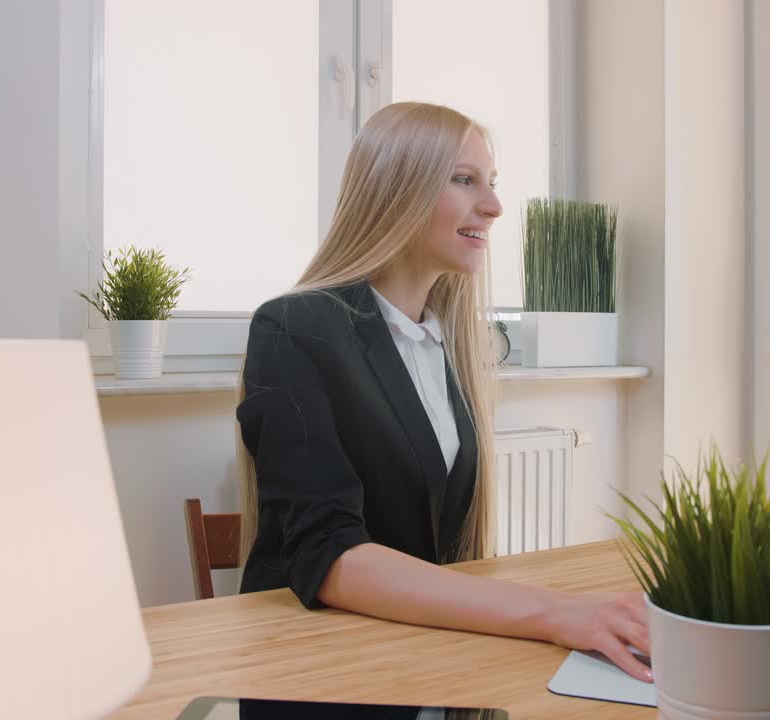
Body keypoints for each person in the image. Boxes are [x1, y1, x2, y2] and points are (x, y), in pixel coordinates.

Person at [234, 103, 651, 714]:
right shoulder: (295, 327)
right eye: (464, 179)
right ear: (395, 188)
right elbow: (327, 555)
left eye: (493, 182)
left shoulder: (441, 342)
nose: (494, 206)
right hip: (324, 686)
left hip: (420, 670)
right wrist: (555, 613)